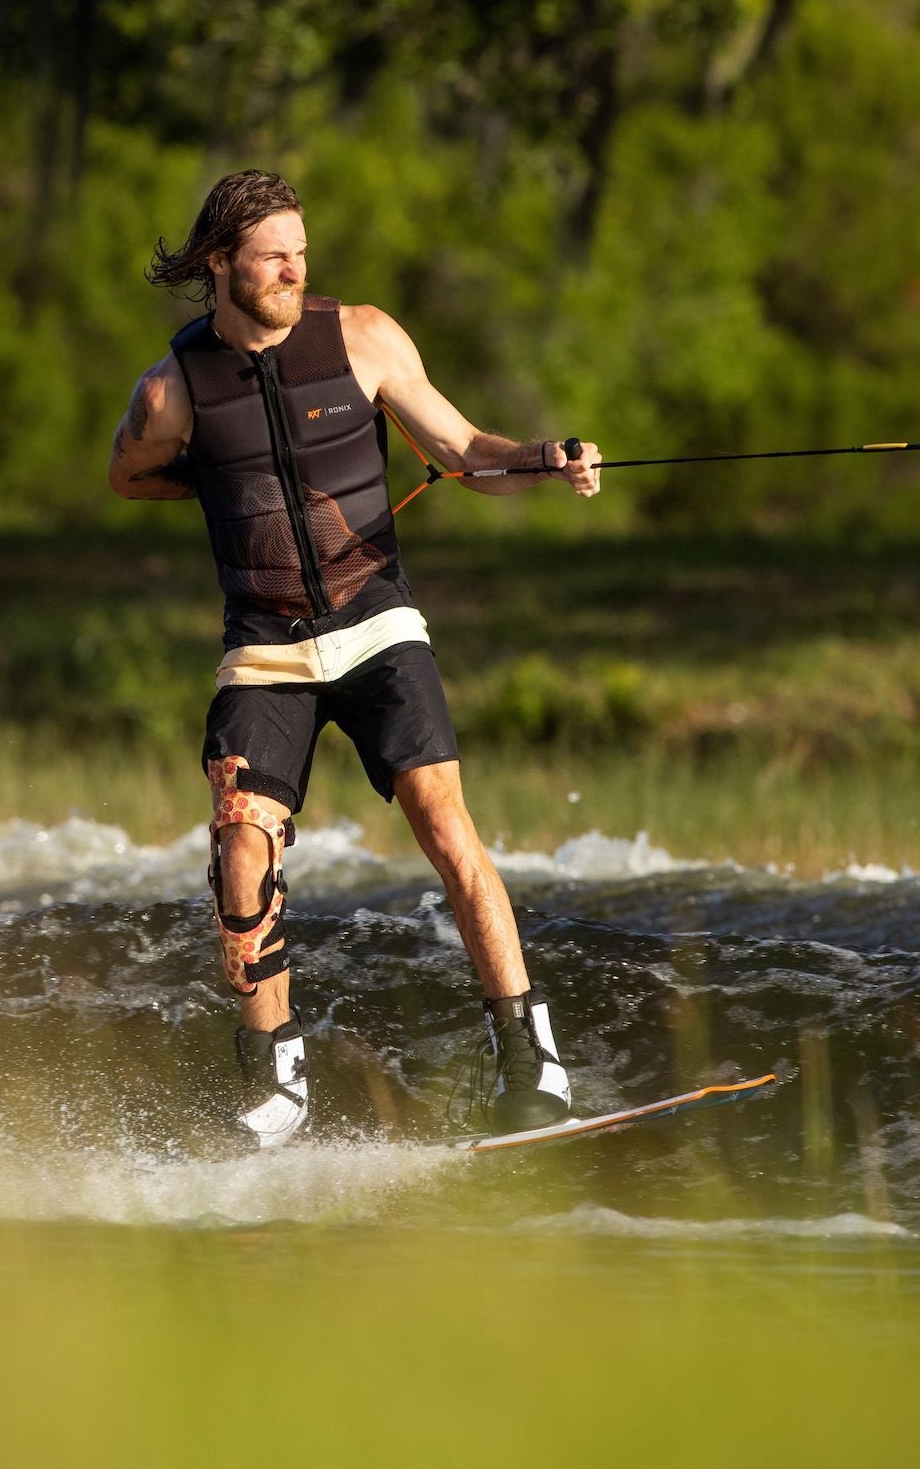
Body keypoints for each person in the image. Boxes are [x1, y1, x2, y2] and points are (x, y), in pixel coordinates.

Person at [107, 169, 603, 1147]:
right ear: (220, 264)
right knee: (240, 843)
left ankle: (530, 1059)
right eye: (272, 255)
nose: (295, 268)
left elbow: (463, 450)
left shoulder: (363, 337)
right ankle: (274, 1082)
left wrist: (543, 456)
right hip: (265, 650)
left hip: (376, 624)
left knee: (440, 815)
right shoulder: (171, 390)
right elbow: (130, 475)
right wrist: (217, 484)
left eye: (300, 251)